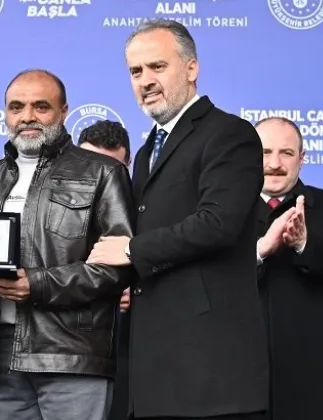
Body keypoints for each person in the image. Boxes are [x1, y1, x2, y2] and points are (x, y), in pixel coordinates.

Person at [87, 19, 269, 420]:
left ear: (191, 68)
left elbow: (218, 223)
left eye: (157, 66)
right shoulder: (146, 148)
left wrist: (132, 250)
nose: (145, 80)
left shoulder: (229, 134)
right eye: (136, 71)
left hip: (210, 373)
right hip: (154, 372)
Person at [0, 69, 136, 420]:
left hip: (72, 355)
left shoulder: (103, 173)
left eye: (40, 106)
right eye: (16, 107)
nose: (27, 116)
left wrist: (39, 284)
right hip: (0, 356)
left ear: (63, 112)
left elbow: (117, 267)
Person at [253, 117, 323, 420]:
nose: (274, 163)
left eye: (286, 153)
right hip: (241, 373)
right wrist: (260, 252)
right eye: (264, 153)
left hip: (316, 371)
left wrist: (305, 244)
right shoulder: (225, 212)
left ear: (302, 159)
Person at [77, 120, 133, 420]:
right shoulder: (54, 208)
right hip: (74, 352)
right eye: (91, 165)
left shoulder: (150, 209)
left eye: (111, 169)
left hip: (136, 352)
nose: (101, 178)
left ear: (128, 163)